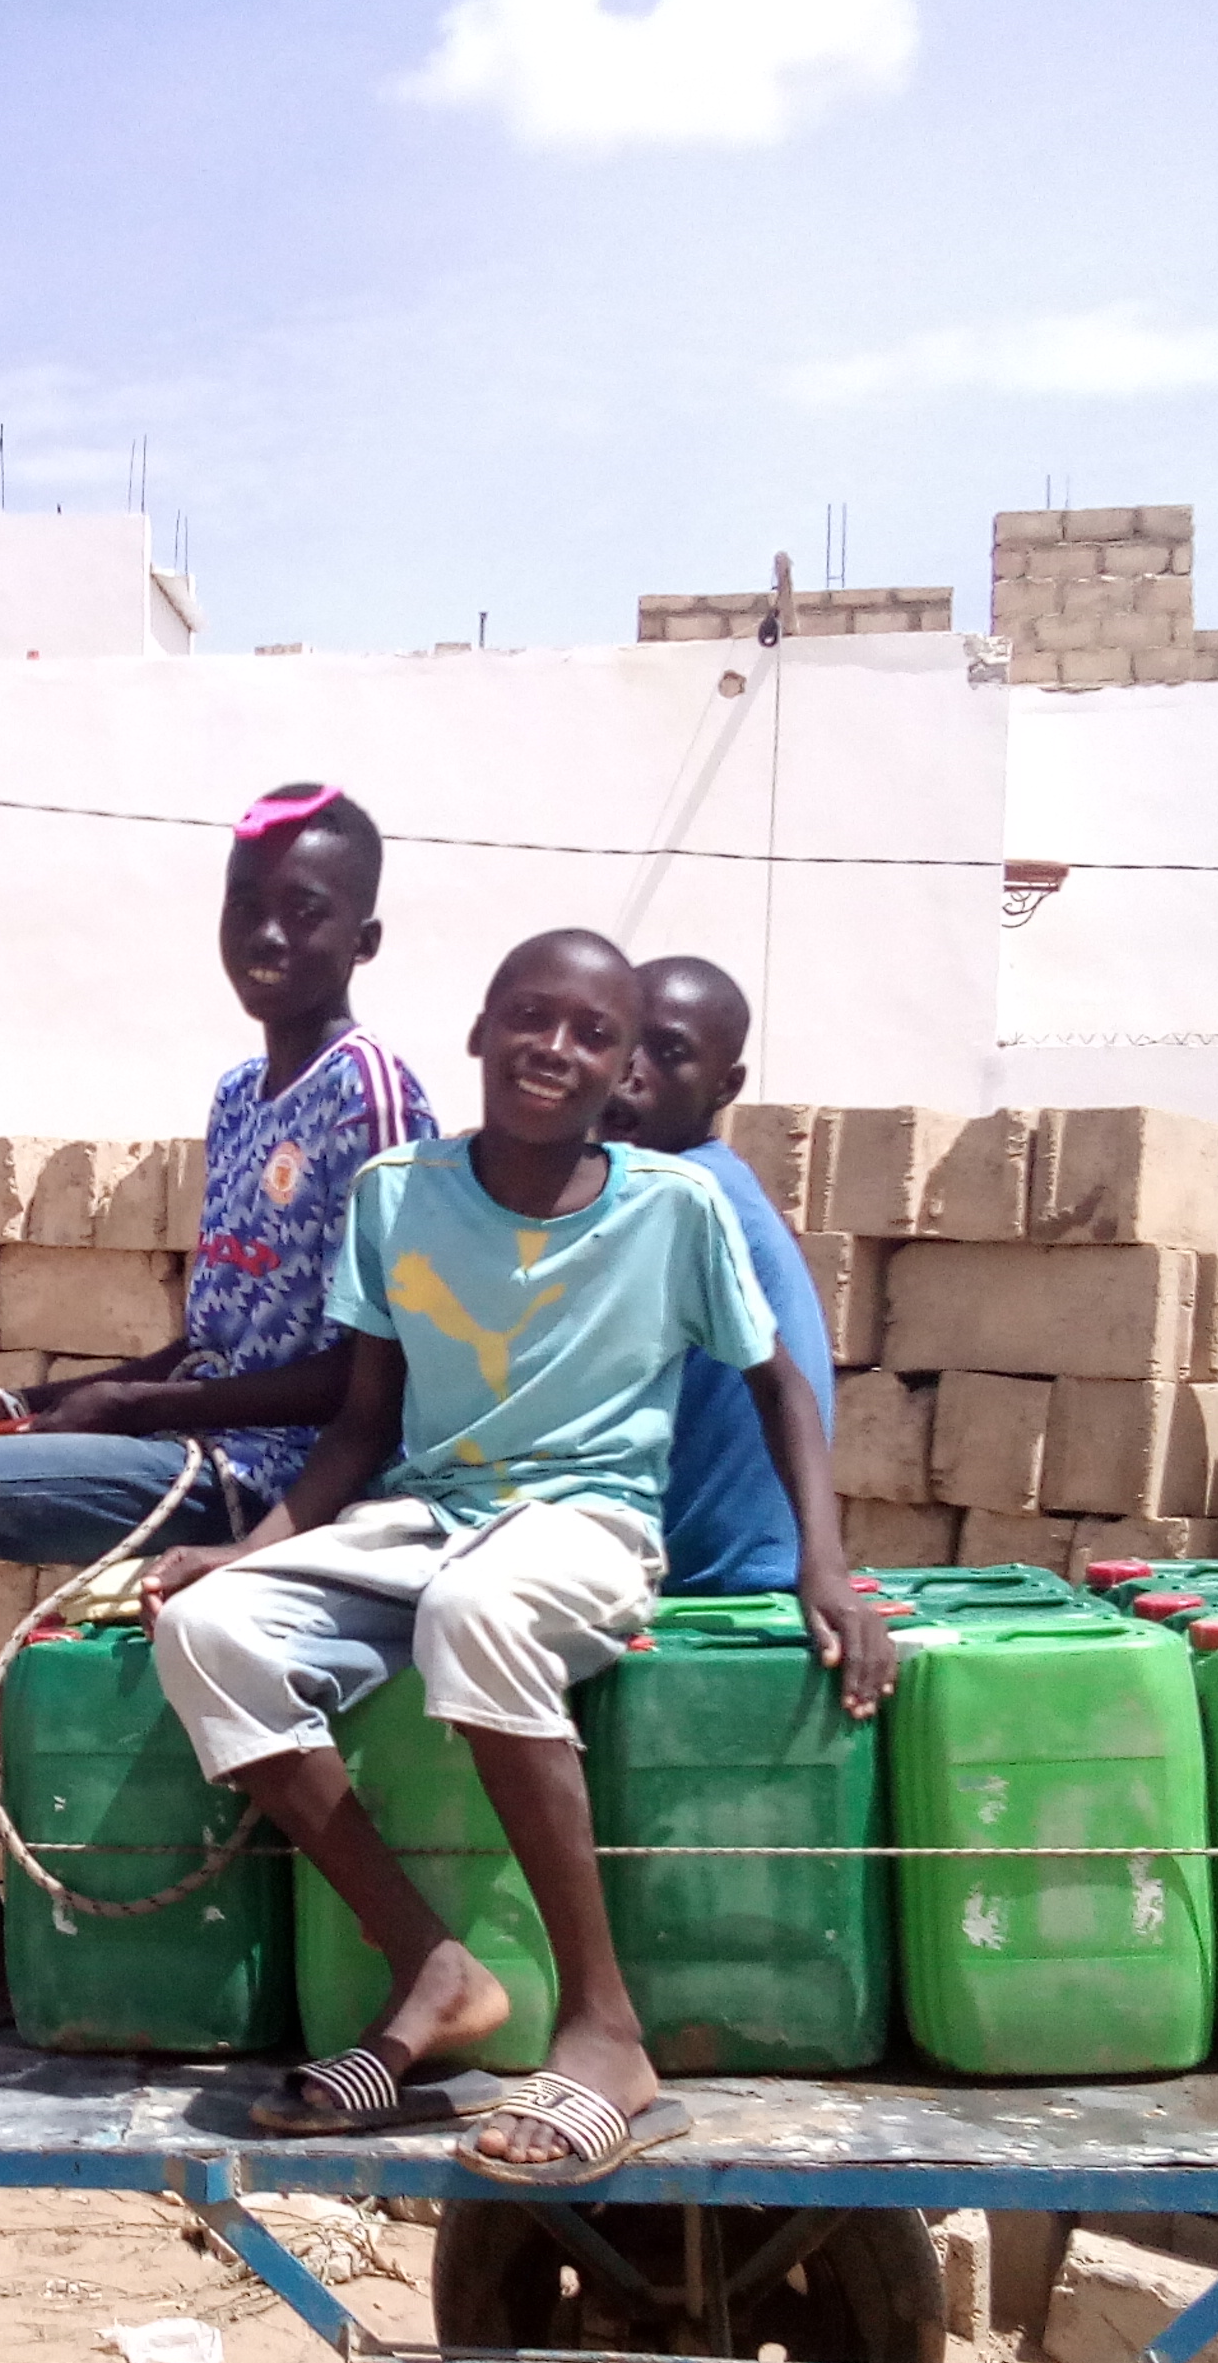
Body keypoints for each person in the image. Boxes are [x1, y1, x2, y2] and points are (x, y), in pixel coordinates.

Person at [140, 929, 895, 2181]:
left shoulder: (676, 1207)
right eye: (529, 1018)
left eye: (592, 1035)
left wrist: (826, 1563)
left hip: (586, 1526)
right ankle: (431, 1967)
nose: (555, 1047)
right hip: (429, 1516)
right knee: (207, 1634)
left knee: (476, 1612)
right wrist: (252, 1549)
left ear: (618, 1073)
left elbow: (778, 1386)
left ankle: (605, 2034)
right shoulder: (396, 1194)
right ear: (481, 1032)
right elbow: (365, 1424)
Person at [0, 783, 436, 2079]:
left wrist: (135, 1409)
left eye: (303, 914)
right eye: (245, 908)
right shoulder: (242, 1093)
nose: (267, 938)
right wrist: (35, 1400)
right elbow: (217, 1336)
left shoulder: (371, 1093)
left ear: (363, 940)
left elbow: (363, 1380)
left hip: (273, 1486)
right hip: (199, 1439)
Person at [596, 953, 836, 1596]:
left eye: (667, 1052)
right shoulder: (710, 1180)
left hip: (707, 1577)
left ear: (726, 1087)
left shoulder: (671, 1197)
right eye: (619, 1038)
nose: (630, 1071)